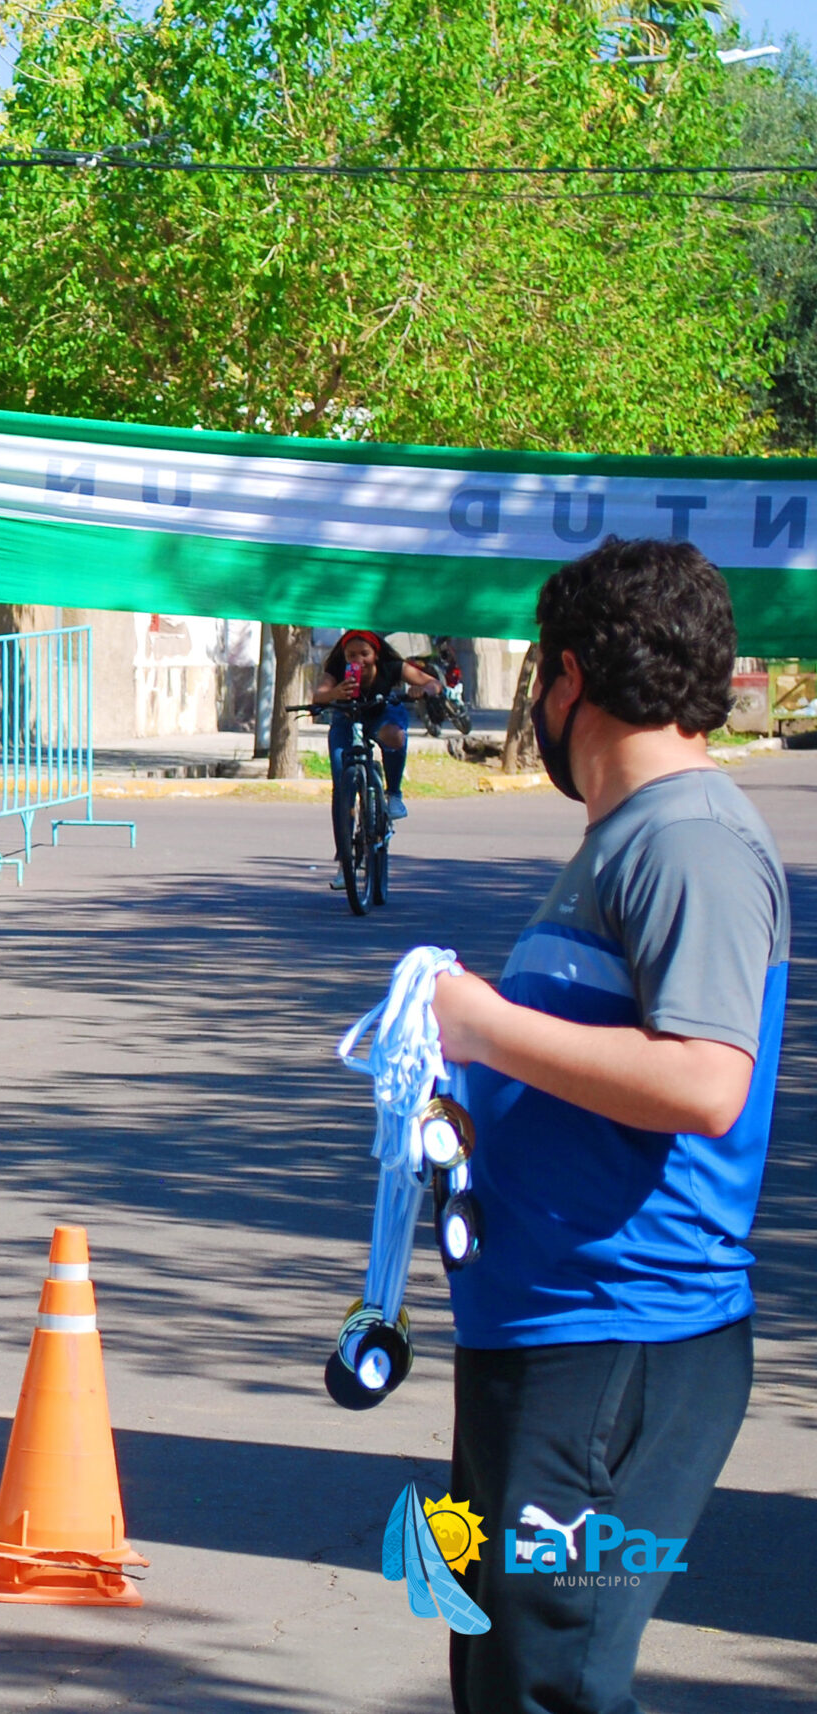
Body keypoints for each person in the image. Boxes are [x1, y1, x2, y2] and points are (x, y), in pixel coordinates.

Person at [429, 538, 786, 1714]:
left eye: (540, 673)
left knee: (551, 1677)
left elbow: (704, 1083)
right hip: (545, 1334)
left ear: (568, 676)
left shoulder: (688, 841)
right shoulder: (627, 836)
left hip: (618, 1343)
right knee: (501, 1669)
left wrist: (485, 1027)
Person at [310, 628, 439, 823]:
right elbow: (318, 695)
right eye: (352, 655)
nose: (359, 660)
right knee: (341, 774)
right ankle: (345, 837)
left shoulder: (391, 666)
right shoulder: (337, 669)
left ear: (376, 654)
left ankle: (394, 794)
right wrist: (334, 693)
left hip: (382, 713)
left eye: (365, 654)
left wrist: (422, 690)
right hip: (347, 719)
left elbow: (434, 683)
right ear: (344, 656)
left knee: (394, 735)